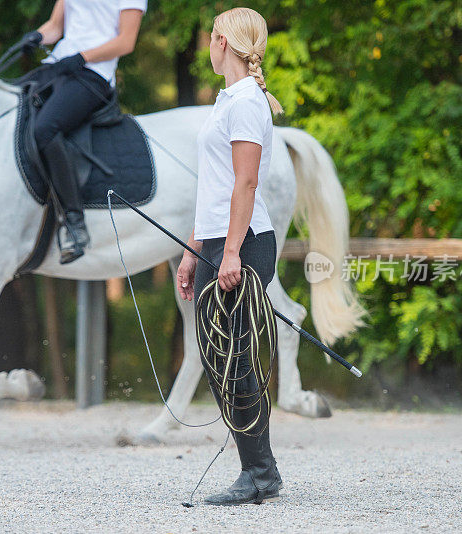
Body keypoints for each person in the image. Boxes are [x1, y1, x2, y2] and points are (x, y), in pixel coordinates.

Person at [175, 7, 285, 506]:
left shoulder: (245, 103)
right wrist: (193, 251)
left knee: (233, 356)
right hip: (219, 242)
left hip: (245, 243)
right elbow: (215, 188)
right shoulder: (227, 100)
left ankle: (259, 474)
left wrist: (233, 252)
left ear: (222, 42)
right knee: (218, 356)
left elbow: (246, 182)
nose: (206, 45)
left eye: (209, 37)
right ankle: (260, 471)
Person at [17, 0, 146, 264]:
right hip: (60, 64)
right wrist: (38, 36)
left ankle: (75, 223)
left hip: (93, 74)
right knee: (10, 108)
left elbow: (126, 41)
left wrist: (83, 57)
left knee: (45, 129)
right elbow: (56, 26)